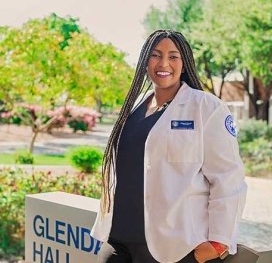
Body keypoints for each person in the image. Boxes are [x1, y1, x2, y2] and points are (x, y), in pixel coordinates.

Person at [91, 29, 247, 263]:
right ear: (145, 62)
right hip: (120, 242)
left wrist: (218, 242)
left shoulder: (206, 107)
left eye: (173, 56)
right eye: (155, 55)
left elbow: (228, 177)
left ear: (184, 64)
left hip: (173, 250)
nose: (164, 63)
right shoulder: (134, 111)